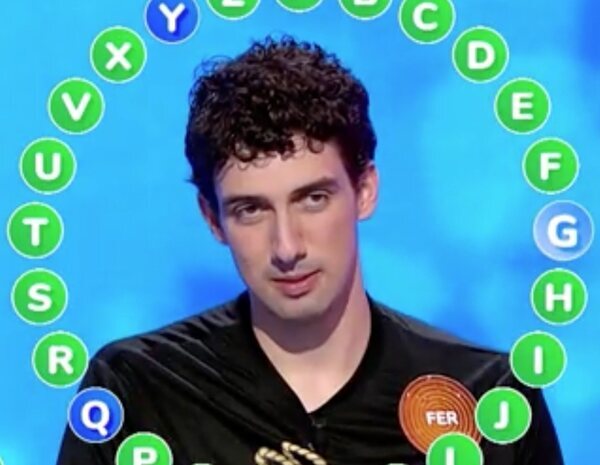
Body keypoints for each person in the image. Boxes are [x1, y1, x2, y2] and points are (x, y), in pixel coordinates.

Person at [56, 35, 564, 465]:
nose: (287, 246)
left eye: (313, 199)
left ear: (365, 190)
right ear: (212, 219)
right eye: (250, 210)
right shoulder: (138, 392)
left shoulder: (490, 400)